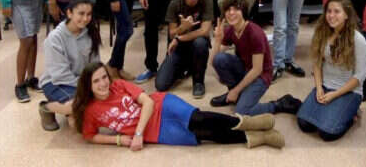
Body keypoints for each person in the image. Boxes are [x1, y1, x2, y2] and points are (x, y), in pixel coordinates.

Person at [73, 62, 285, 149]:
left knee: (198, 119)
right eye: (96, 81)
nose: (103, 84)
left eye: (104, 77)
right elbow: (89, 136)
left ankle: (248, 122)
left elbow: (147, 102)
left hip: (161, 106)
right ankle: (257, 138)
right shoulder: (91, 111)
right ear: (88, 86)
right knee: (203, 134)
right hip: (156, 132)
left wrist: (137, 134)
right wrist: (118, 139)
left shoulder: (118, 85)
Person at [210, 0, 302, 116]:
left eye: (236, 9)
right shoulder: (230, 30)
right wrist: (217, 40)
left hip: (261, 75)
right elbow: (213, 61)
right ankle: (236, 95)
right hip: (245, 68)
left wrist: (236, 90)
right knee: (220, 59)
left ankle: (278, 104)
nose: (231, 13)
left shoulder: (254, 33)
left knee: (242, 112)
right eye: (228, 9)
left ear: (243, 12)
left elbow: (257, 70)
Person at [296, 0, 366, 141]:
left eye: (337, 11)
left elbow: (360, 76)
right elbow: (316, 63)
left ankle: (352, 116)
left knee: (327, 133)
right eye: (329, 11)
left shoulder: (358, 39)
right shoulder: (321, 33)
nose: (331, 15)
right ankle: (334, 110)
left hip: (349, 91)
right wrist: (319, 88)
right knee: (304, 124)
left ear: (346, 15)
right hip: (325, 85)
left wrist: (335, 95)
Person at [38, 0, 101, 131]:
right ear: (69, 13)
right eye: (81, 14)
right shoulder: (55, 38)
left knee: (94, 111)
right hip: (56, 83)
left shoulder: (91, 33)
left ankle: (71, 111)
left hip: (81, 82)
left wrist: (98, 83)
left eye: (89, 14)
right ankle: (47, 107)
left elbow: (95, 66)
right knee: (79, 123)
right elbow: (60, 75)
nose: (85, 19)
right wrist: (87, 88)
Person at [155, 0, 212, 98]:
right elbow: (171, 33)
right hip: (179, 48)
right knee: (160, 85)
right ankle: (186, 66)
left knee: (200, 42)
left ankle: (198, 82)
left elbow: (204, 31)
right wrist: (183, 27)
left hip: (197, 46)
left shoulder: (206, 1)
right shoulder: (174, 4)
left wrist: (179, 38)